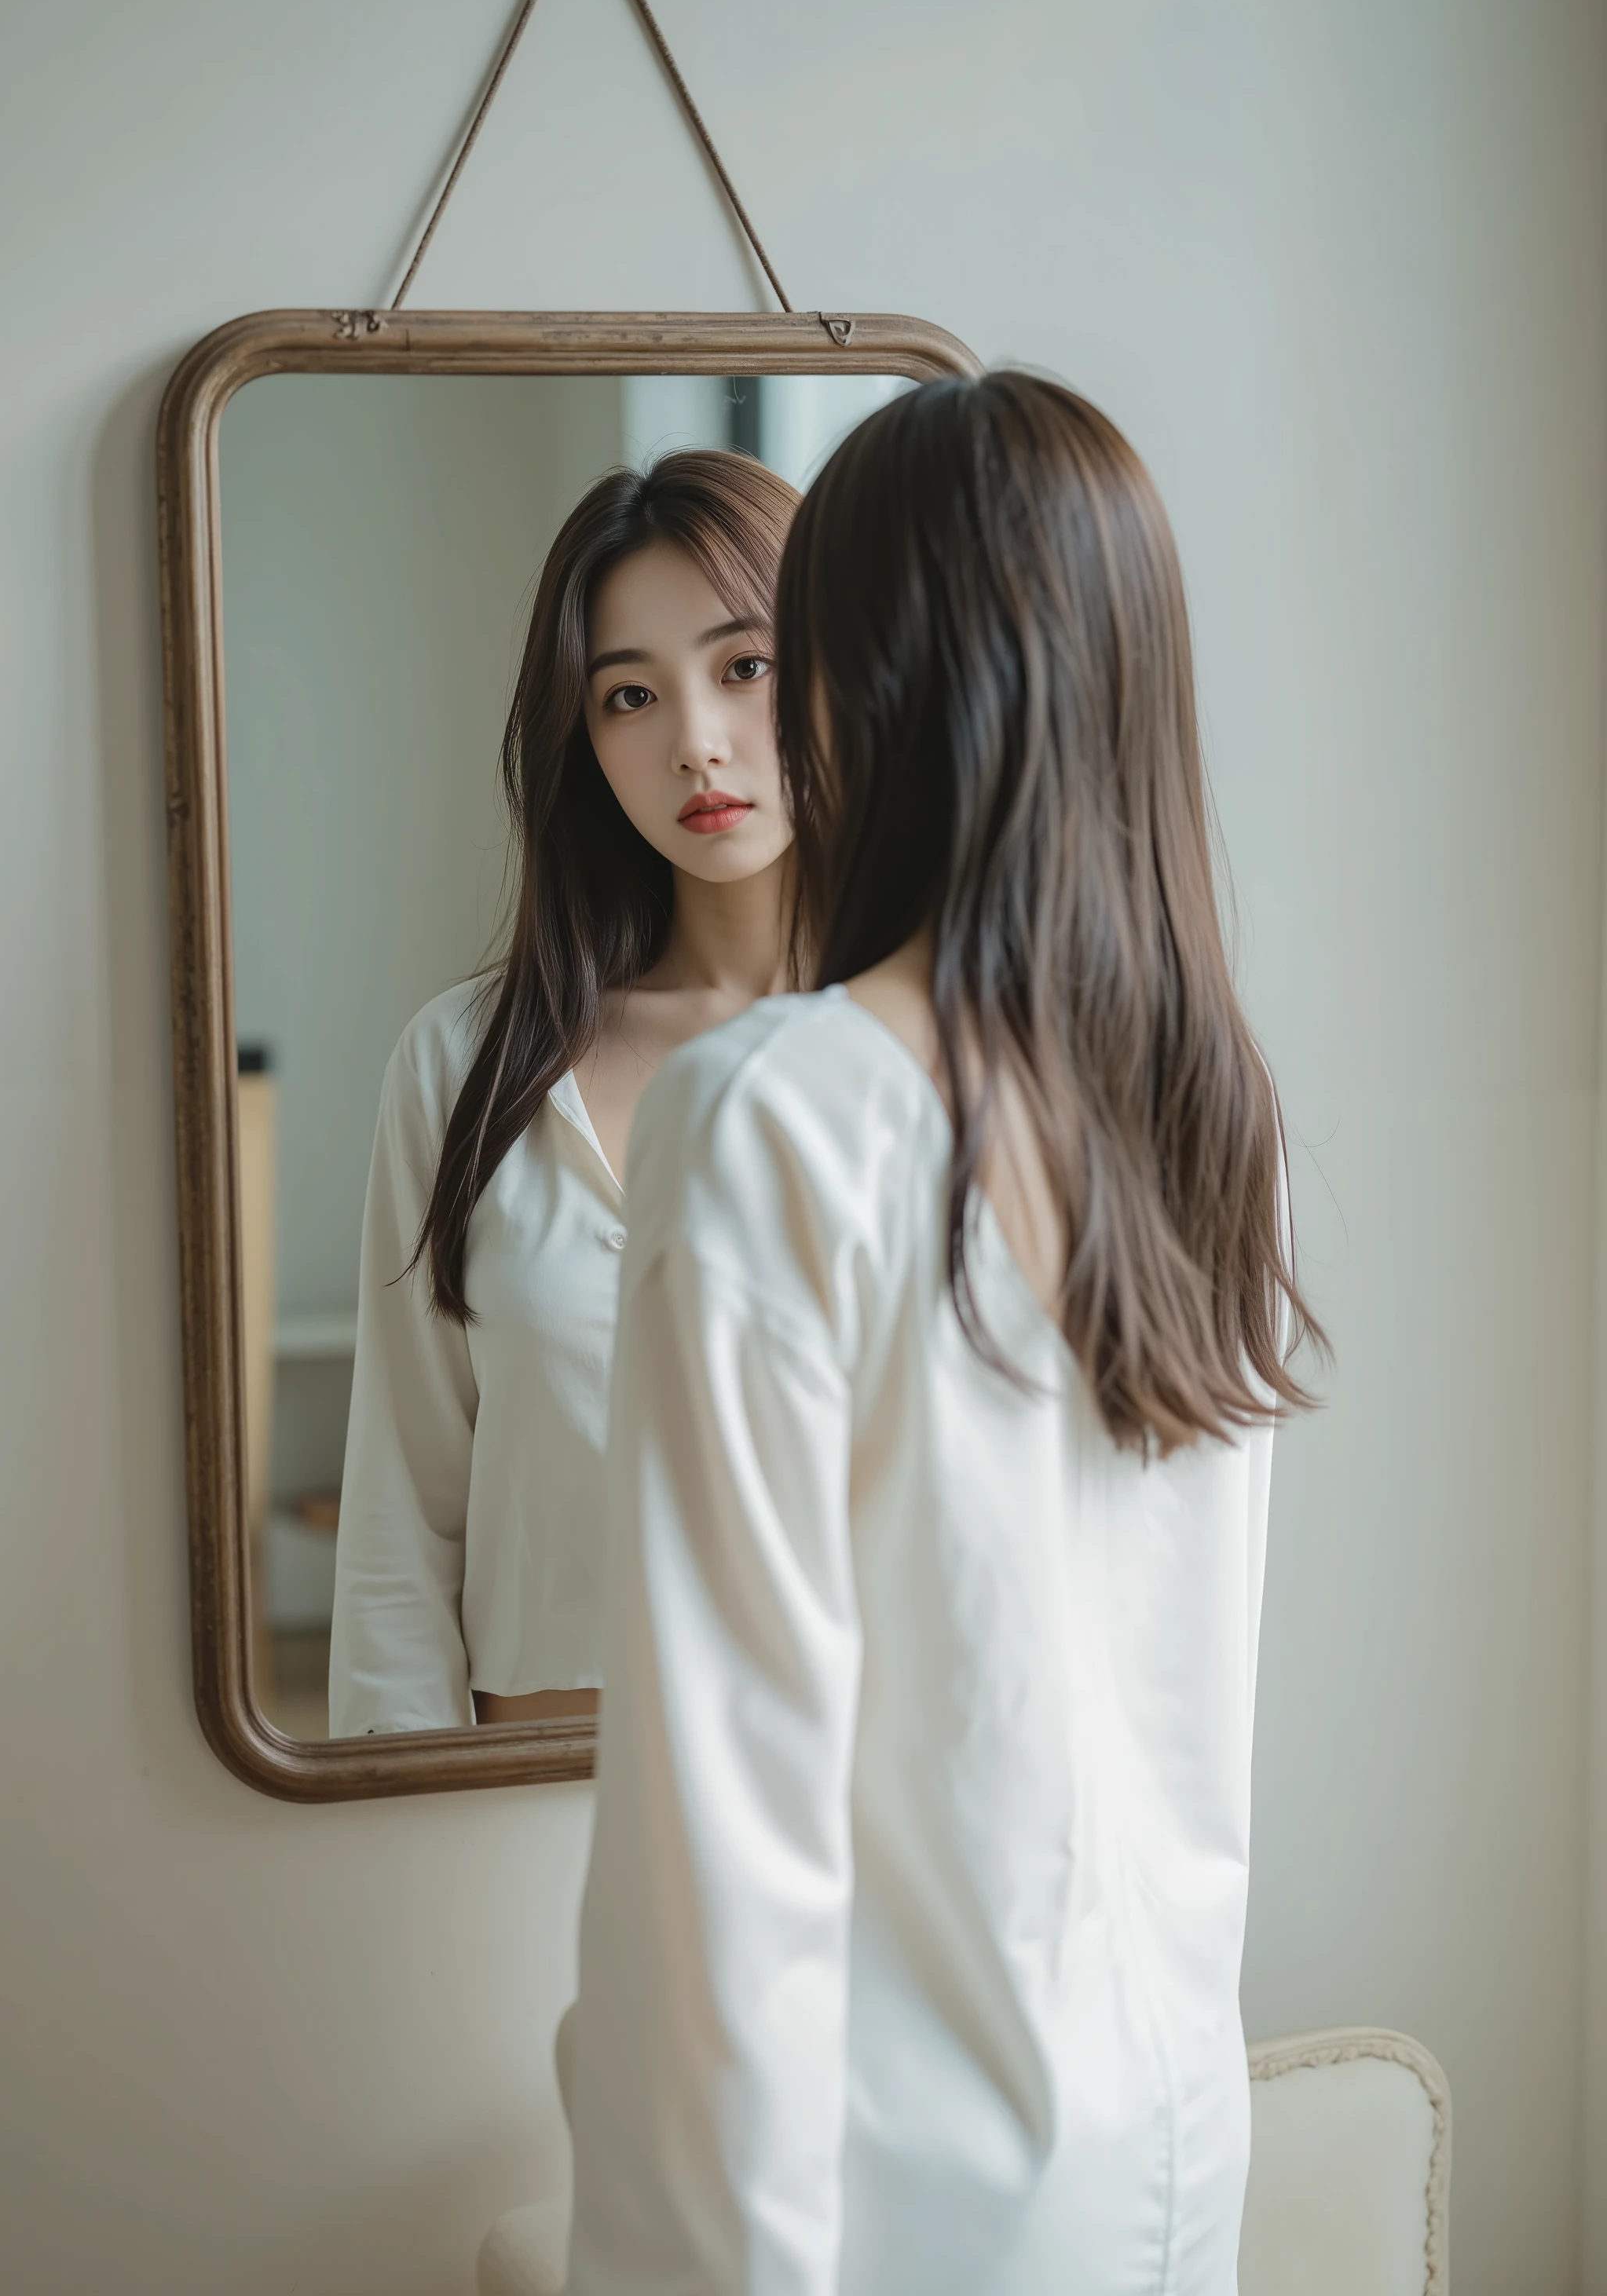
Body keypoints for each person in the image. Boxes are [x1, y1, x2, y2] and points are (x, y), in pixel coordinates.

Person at [562, 373, 1326, 2293]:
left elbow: (714, 1875)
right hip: (1167, 2161)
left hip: (884, 2207)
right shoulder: (1212, 1118)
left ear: (854, 685)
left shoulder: (775, 1116)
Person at [328, 450, 800, 1735]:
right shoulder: (464, 1064)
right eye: (629, 696)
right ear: (581, 740)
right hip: (520, 1830)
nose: (695, 742)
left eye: (744, 665)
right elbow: (401, 1527)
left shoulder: (939, 1055)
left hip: (859, 1838)